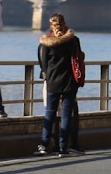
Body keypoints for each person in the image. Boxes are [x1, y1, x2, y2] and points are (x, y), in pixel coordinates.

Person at [35, 12, 82, 158]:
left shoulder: (45, 43)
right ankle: (63, 147)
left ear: (51, 25)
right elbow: (79, 57)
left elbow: (43, 64)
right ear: (64, 23)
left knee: (50, 112)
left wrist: (48, 75)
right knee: (67, 115)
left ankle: (44, 144)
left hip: (52, 82)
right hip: (70, 81)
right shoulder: (73, 40)